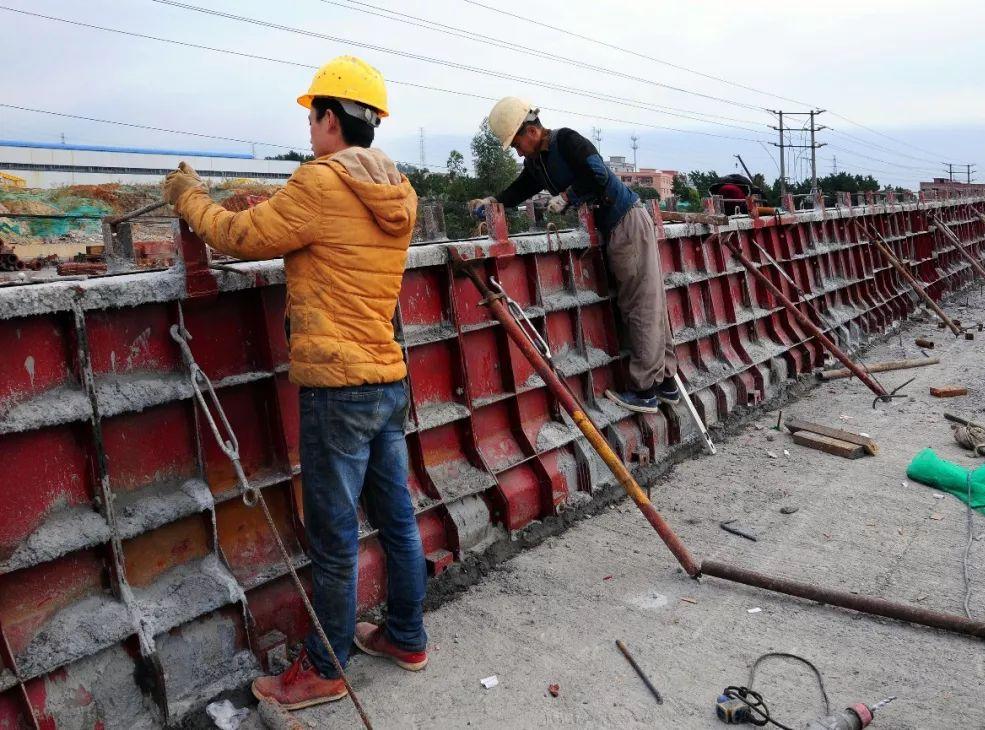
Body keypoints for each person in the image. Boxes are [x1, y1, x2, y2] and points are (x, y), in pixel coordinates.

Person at [162, 55, 428, 711]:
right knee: (397, 518)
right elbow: (331, 237)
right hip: (387, 379)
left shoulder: (318, 183)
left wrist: (187, 196)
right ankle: (405, 635)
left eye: (313, 117)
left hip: (337, 388)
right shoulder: (397, 188)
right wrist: (285, 208)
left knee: (334, 537)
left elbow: (234, 235)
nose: (310, 130)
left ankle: (324, 667)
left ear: (331, 119)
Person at [468, 97, 678, 414]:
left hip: (626, 222)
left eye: (516, 143)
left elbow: (599, 175)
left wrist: (568, 196)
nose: (517, 150)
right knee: (643, 301)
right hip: (615, 229)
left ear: (531, 130)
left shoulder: (567, 140)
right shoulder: (537, 164)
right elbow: (519, 189)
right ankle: (666, 384)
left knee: (640, 305)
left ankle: (646, 391)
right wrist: (493, 202)